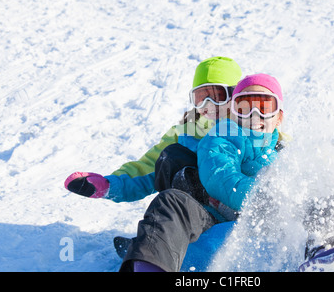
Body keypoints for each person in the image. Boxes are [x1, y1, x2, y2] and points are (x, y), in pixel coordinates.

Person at [118, 73, 287, 272]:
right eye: (244, 107)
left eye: (265, 107)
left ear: (278, 118)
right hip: (217, 222)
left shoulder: (287, 153)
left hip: (269, 231)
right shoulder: (222, 136)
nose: (254, 114)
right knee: (172, 202)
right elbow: (220, 176)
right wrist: (262, 200)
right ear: (233, 113)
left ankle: (321, 253)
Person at [64, 56, 242, 203]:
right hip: (196, 211)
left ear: (236, 94)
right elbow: (150, 165)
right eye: (201, 97)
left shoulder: (252, 128)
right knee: (171, 157)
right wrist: (110, 184)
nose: (208, 105)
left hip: (238, 209)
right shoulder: (186, 131)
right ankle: (157, 238)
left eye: (218, 95)